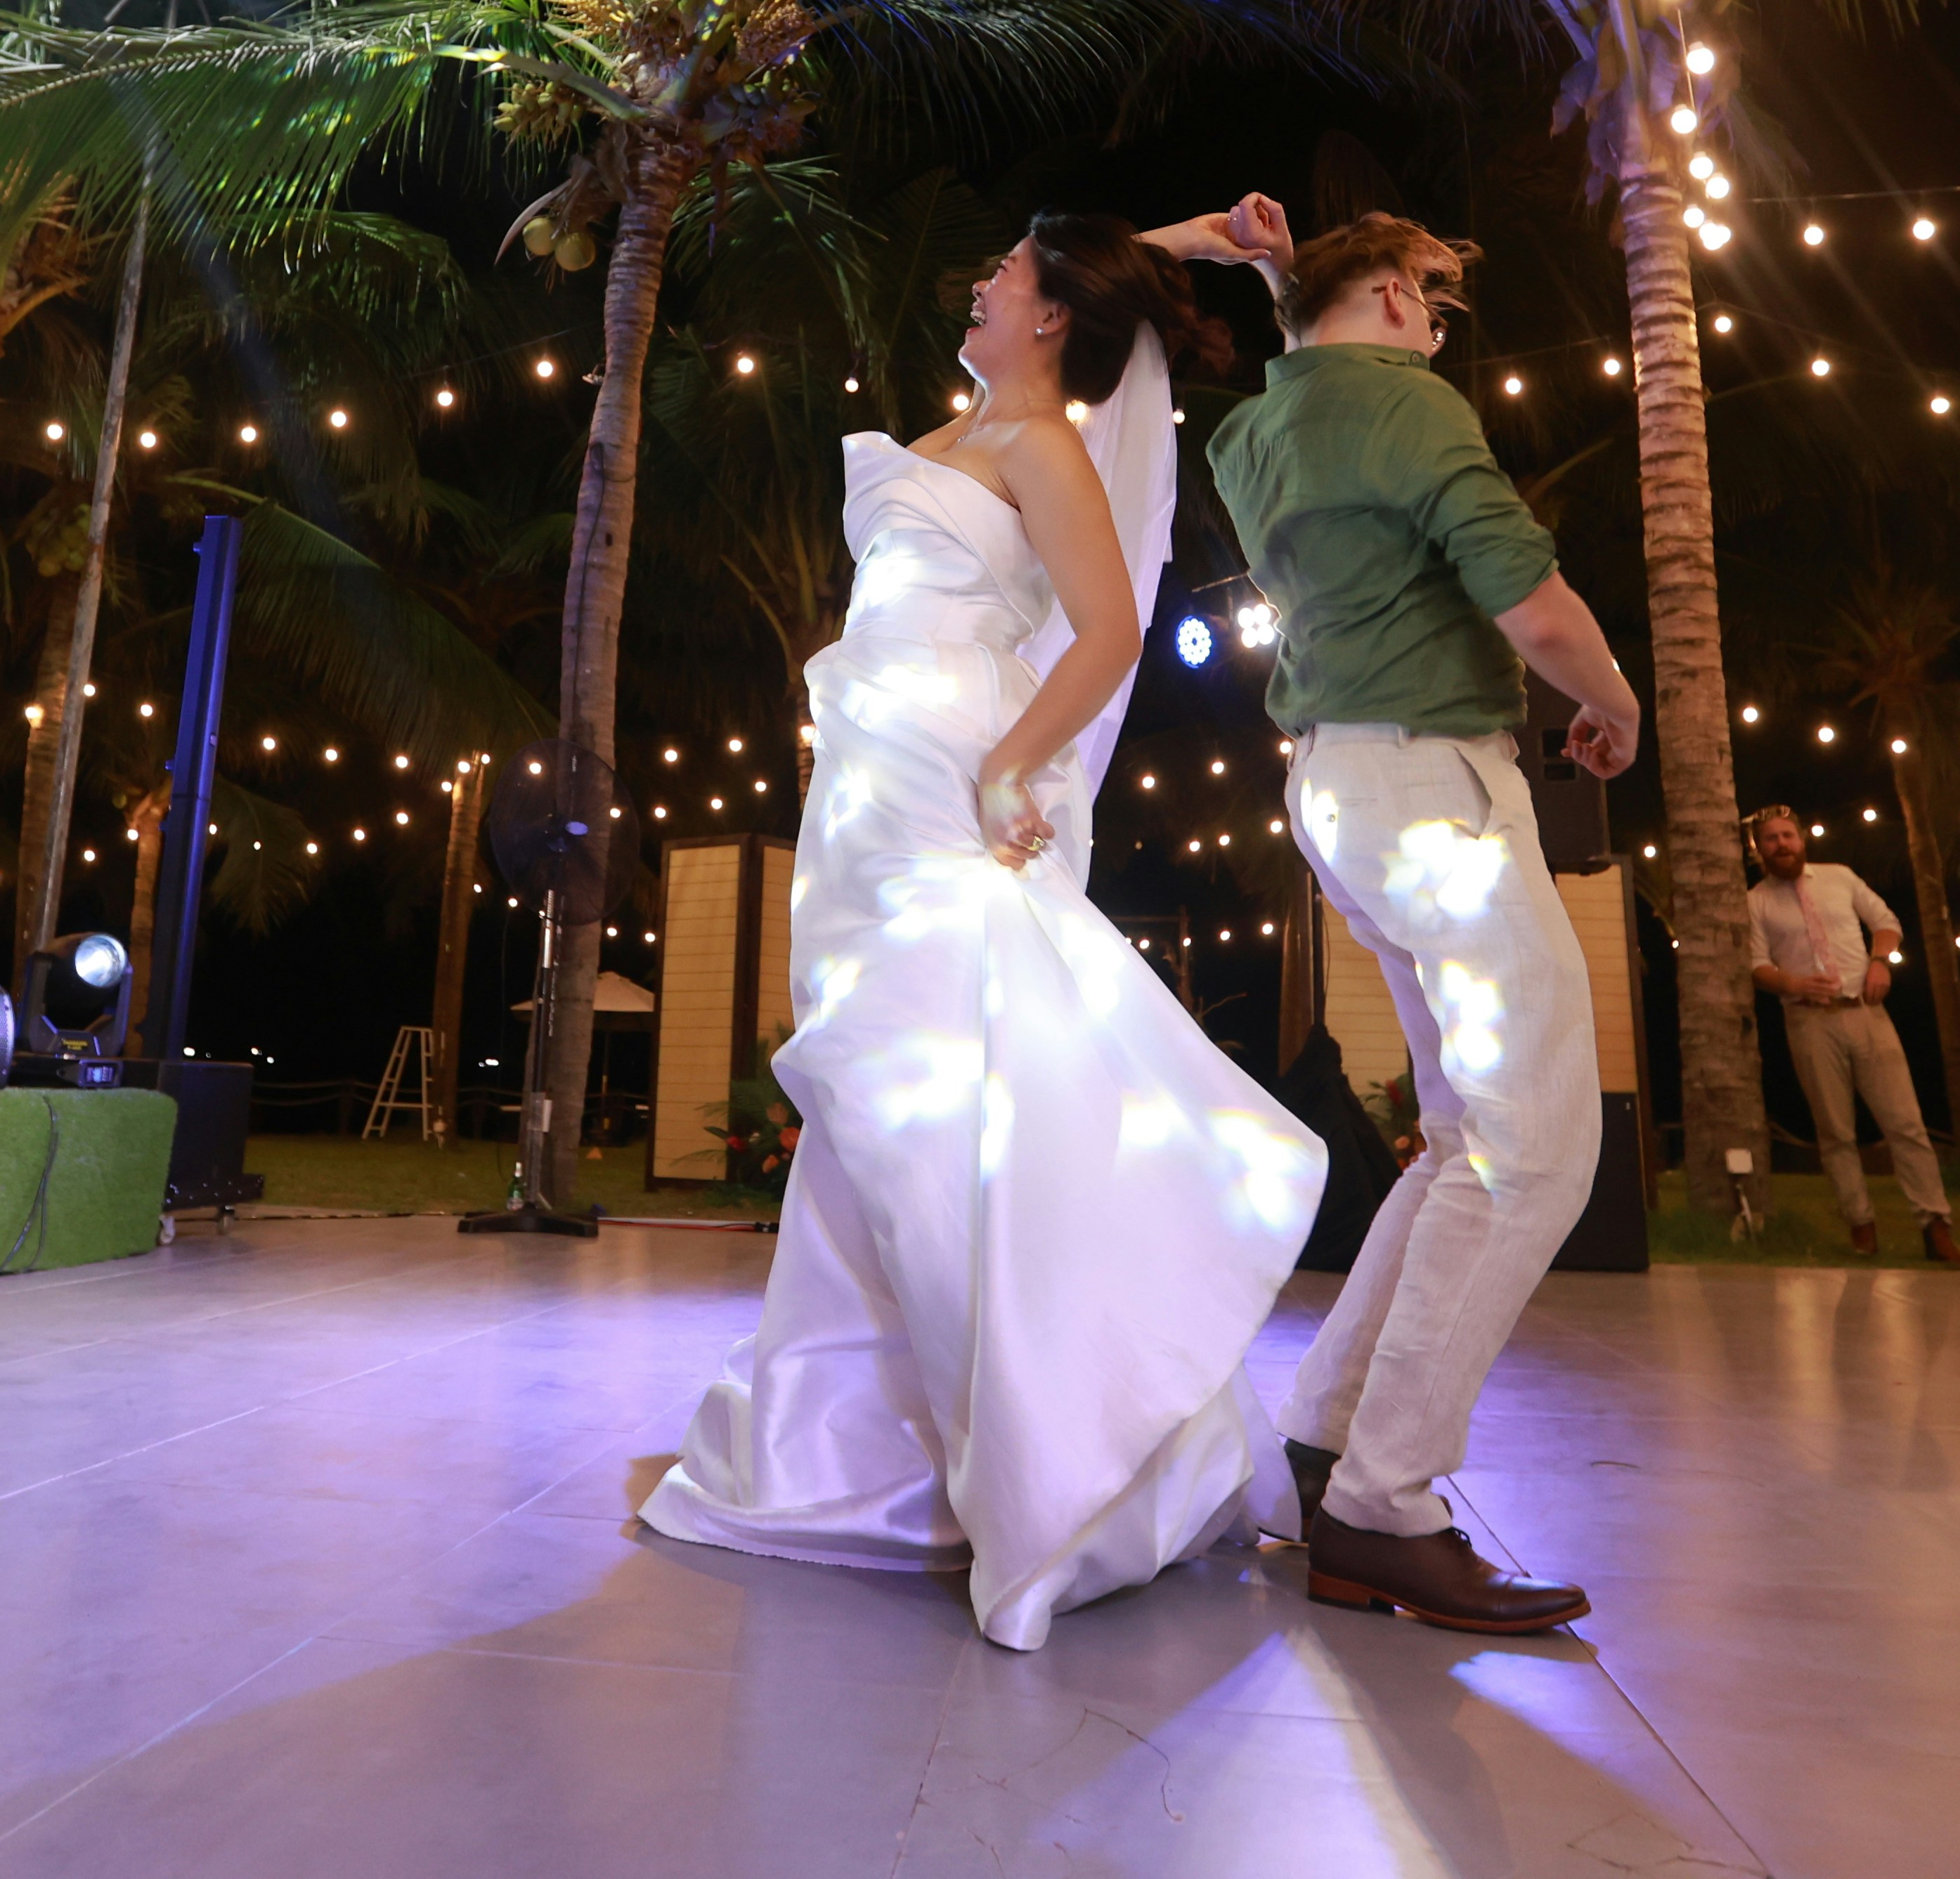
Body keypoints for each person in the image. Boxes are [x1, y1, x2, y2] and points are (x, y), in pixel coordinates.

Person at [639, 212, 1328, 1653]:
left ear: (1053, 314)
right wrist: (1186, 237)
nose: (978, 275)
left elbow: (1109, 631)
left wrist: (1013, 763)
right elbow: (1088, 270)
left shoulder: (1045, 448)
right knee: (874, 1095)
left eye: (1007, 269)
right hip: (865, 782)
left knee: (928, 1087)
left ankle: (1050, 1449)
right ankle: (863, 1450)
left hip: (948, 771)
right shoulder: (967, 428)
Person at [1203, 204, 1641, 1637]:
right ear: (1395, 295)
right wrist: (1614, 703)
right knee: (1536, 1150)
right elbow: (1531, 599)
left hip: (1332, 781)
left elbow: (1226, 324)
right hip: (1438, 790)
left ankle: (1323, 1442)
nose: (1441, 329)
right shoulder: (1414, 407)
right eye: (1434, 304)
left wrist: (1277, 275)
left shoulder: (1251, 433)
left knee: (1467, 1135)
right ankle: (1387, 1504)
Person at [1744, 808, 1960, 1263]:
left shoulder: (1840, 877)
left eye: (1788, 835)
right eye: (1771, 839)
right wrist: (1792, 983)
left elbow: (1886, 921)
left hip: (1866, 1013)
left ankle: (1935, 1227)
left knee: (1906, 1124)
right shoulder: (1756, 901)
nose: (1782, 844)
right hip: (1809, 1021)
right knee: (1835, 1132)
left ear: (1802, 838)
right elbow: (1755, 964)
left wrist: (1880, 961)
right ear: (1758, 850)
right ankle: (1862, 1228)